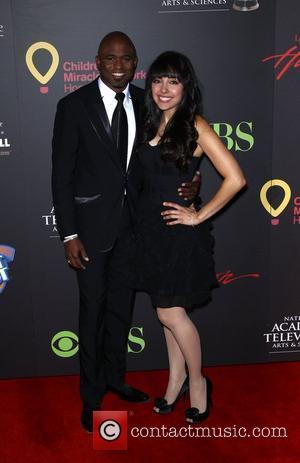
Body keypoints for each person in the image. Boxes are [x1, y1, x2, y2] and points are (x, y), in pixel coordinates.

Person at [51, 32, 200, 433]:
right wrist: (68, 235)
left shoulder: (146, 102)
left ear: (137, 64)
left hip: (137, 231)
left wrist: (194, 179)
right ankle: (91, 395)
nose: (119, 66)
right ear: (97, 62)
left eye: (127, 59)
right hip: (90, 233)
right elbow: (61, 178)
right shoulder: (73, 106)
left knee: (121, 312)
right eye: (111, 59)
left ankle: (116, 380)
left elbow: (170, 155)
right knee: (92, 314)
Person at [130, 51, 246, 424]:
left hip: (179, 235)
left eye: (173, 81)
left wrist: (198, 215)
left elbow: (236, 179)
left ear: (185, 86)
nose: (165, 89)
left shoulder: (195, 125)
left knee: (169, 313)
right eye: (159, 80)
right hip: (149, 234)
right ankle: (175, 379)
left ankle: (197, 382)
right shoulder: (147, 123)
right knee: (168, 313)